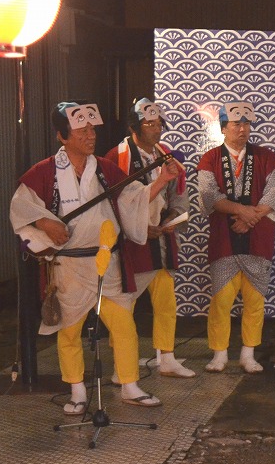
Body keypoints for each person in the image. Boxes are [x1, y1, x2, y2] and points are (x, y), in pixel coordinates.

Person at [10, 101, 176, 414]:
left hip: (106, 261)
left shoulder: (104, 168)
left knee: (124, 325)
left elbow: (133, 199)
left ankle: (130, 384)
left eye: (92, 129)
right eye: (82, 130)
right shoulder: (44, 171)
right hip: (69, 265)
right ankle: (76, 390)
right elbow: (21, 207)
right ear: (62, 136)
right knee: (70, 330)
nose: (90, 135)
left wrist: (161, 182)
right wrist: (45, 222)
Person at [104, 98, 195, 379]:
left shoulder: (165, 154)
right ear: (134, 127)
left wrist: (172, 218)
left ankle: (166, 356)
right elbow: (111, 203)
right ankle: (121, 365)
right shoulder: (116, 157)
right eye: (149, 124)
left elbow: (178, 193)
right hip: (130, 241)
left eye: (158, 124)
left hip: (161, 238)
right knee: (124, 303)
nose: (156, 129)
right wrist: (140, 226)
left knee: (166, 300)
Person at [196, 101, 275, 373]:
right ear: (223, 128)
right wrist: (242, 211)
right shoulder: (210, 159)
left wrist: (250, 219)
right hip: (223, 240)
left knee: (255, 301)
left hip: (257, 239)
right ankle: (219, 354)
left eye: (247, 124)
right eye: (237, 124)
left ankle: (248, 354)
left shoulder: (265, 157)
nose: (243, 129)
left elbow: (274, 195)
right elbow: (209, 197)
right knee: (221, 301)